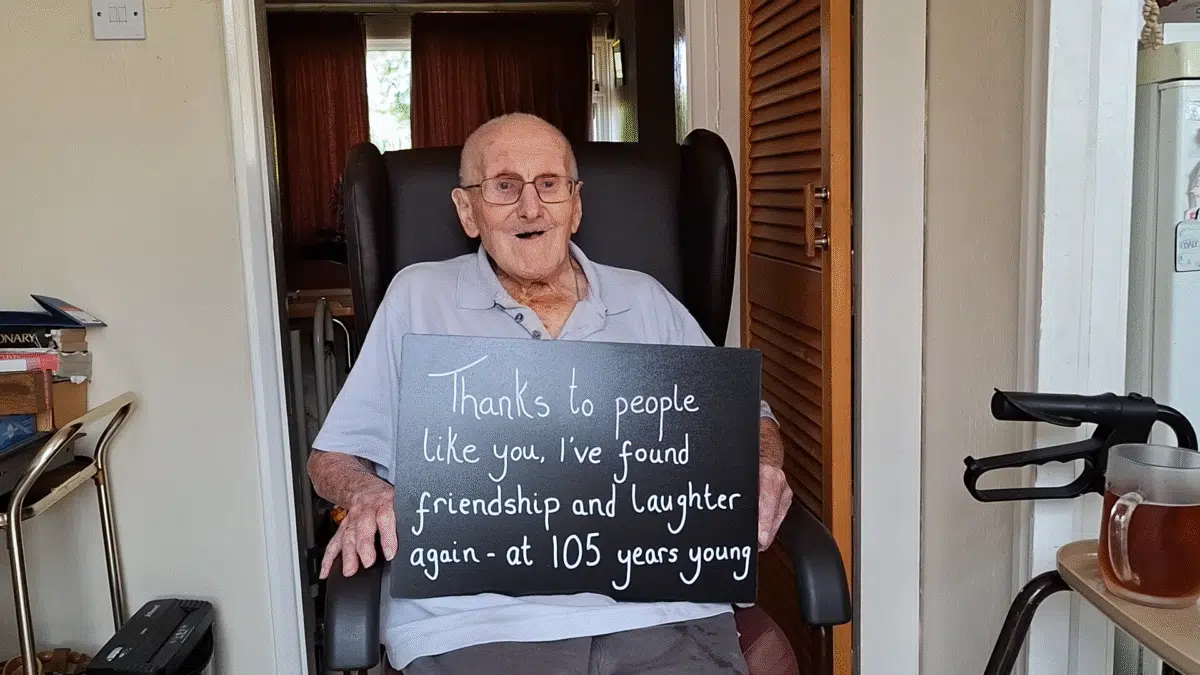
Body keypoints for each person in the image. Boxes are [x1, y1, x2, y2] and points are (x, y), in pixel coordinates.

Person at [308, 112, 792, 675]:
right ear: (468, 211)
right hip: (475, 628)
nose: (531, 208)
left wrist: (762, 465)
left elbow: (750, 416)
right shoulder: (417, 296)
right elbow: (331, 458)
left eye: (550, 185)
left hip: (661, 614)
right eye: (505, 186)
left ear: (576, 204)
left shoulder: (647, 300)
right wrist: (366, 491)